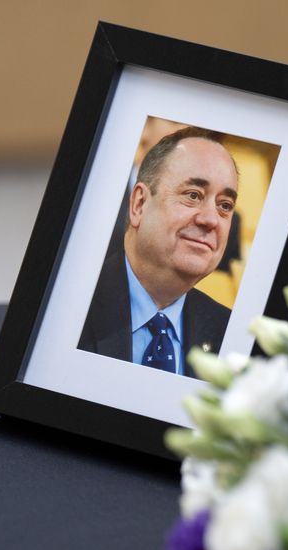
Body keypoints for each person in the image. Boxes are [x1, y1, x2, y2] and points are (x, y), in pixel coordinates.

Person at [78, 127, 238, 377]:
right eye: (193, 195)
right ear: (139, 204)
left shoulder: (233, 335)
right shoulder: (69, 308)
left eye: (224, 206)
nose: (211, 220)